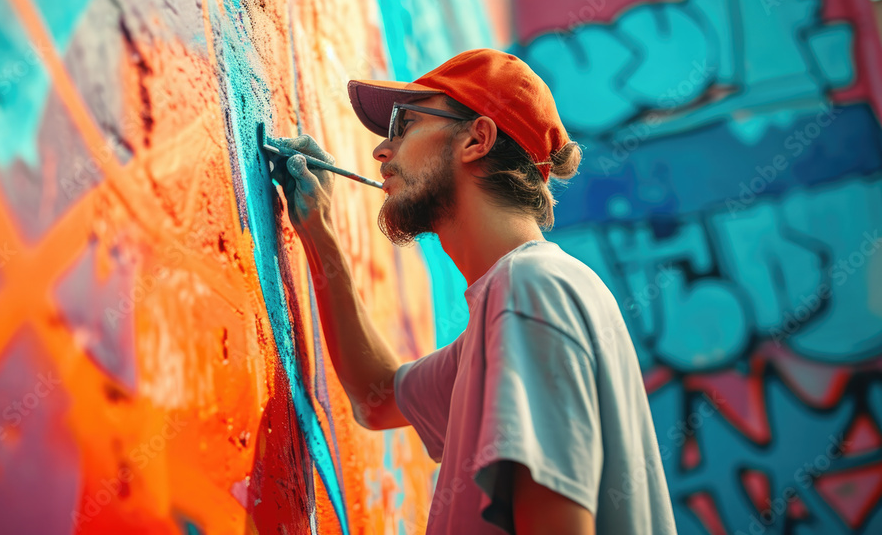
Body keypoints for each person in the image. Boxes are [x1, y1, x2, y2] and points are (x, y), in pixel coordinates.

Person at [270, 48, 677, 534]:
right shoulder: (520, 299)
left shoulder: (530, 291)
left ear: (476, 139)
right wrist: (319, 232)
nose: (382, 150)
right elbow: (377, 397)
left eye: (404, 125)